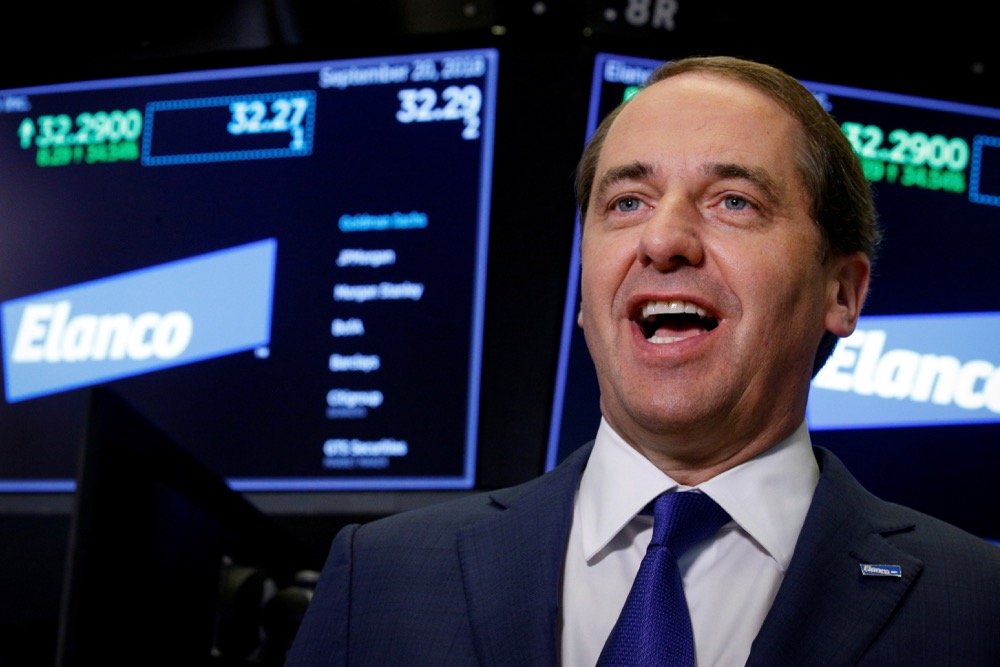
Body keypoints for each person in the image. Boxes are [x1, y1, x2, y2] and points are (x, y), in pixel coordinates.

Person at [287, 55, 1000, 665]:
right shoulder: (376, 579)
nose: (663, 241)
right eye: (627, 201)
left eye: (734, 201)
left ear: (841, 292)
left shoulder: (977, 605)